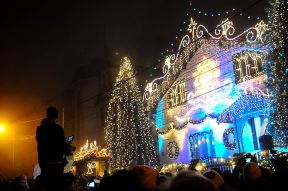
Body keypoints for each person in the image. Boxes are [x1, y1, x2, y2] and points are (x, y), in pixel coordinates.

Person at [36, 106, 67, 190]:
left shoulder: (40, 129)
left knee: (46, 185)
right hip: (56, 163)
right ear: (56, 117)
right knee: (56, 186)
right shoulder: (58, 129)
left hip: (44, 163)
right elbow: (62, 145)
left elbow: (40, 144)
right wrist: (68, 149)